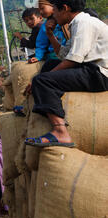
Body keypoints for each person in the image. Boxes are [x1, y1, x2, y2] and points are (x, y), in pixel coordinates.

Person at [26, 0, 108, 147]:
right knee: (50, 64)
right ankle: (36, 102)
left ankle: (60, 132)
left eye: (55, 11)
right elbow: (64, 54)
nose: (54, 16)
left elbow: (74, 59)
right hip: (89, 68)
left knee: (42, 80)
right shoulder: (76, 23)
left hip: (99, 73)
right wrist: (50, 35)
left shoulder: (84, 23)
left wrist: (40, 79)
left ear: (65, 8)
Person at [28, 0, 67, 68]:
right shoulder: (45, 26)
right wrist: (38, 56)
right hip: (54, 55)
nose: (40, 12)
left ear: (53, 6)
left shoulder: (66, 20)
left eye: (42, 8)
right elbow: (41, 44)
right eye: (39, 10)